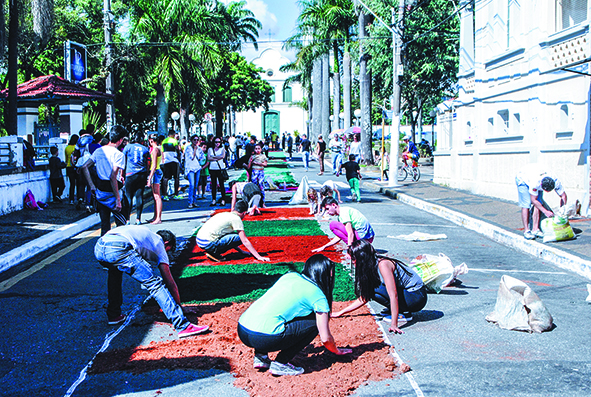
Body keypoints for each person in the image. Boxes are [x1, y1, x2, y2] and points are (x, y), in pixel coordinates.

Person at [237, 254, 352, 376]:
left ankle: (261, 356)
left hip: (243, 329)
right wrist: (337, 350)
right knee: (314, 323)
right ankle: (281, 363)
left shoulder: (290, 275)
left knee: (275, 314)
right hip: (265, 338)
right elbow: (325, 338)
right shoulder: (318, 295)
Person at [94, 225, 209, 338]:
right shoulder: (159, 244)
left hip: (99, 247)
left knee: (115, 274)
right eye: (168, 251)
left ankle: (114, 315)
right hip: (119, 248)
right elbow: (170, 282)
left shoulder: (145, 234)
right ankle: (182, 325)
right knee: (155, 285)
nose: (166, 254)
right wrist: (179, 307)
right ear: (167, 243)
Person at [332, 239, 427, 333]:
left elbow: (393, 295)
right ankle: (400, 309)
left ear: (362, 257)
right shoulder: (371, 263)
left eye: (353, 258)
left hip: (417, 297)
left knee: (374, 288)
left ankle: (404, 313)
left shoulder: (383, 265)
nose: (352, 261)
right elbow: (365, 297)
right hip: (411, 295)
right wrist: (341, 312)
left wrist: (394, 324)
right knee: (371, 289)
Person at [81, 125, 130, 235]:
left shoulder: (99, 151)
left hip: (101, 190)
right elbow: (113, 176)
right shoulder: (119, 154)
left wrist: (92, 186)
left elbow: (84, 167)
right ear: (121, 139)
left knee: (105, 225)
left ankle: (103, 248)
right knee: (121, 224)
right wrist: (118, 199)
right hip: (113, 190)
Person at [196, 200, 270, 262]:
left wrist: (241, 251)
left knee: (233, 235)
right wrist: (258, 256)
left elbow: (230, 238)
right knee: (238, 237)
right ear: (244, 213)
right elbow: (244, 240)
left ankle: (212, 250)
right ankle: (214, 253)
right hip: (209, 244)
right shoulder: (236, 219)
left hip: (200, 241)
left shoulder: (226, 214)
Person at [515, 164, 567, 240]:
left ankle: (535, 229)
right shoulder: (535, 183)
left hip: (536, 174)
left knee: (539, 202)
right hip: (522, 178)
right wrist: (546, 211)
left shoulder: (555, 181)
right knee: (526, 204)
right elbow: (533, 200)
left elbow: (563, 196)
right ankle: (527, 231)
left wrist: (563, 209)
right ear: (541, 185)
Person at [123, 132, 149, 224]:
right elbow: (148, 163)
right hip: (141, 174)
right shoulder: (145, 149)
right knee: (139, 196)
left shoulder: (128, 147)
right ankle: (138, 218)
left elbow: (123, 161)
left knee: (128, 196)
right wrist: (147, 175)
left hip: (130, 174)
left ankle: (127, 219)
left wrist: (122, 174)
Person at [184, 134, 206, 208]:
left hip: (197, 167)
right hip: (190, 168)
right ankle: (190, 201)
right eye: (194, 140)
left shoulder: (199, 149)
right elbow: (192, 157)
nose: (196, 141)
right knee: (192, 185)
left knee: (196, 185)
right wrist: (195, 150)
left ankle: (194, 201)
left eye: (197, 140)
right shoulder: (188, 148)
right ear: (191, 140)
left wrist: (201, 162)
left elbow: (202, 157)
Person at [146, 134, 163, 224]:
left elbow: (154, 165)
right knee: (155, 196)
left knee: (157, 196)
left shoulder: (155, 150)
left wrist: (149, 177)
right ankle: (155, 216)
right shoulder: (157, 149)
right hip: (156, 171)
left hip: (155, 171)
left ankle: (158, 218)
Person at [161, 130, 181, 201]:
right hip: (174, 161)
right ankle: (176, 194)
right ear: (173, 134)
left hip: (166, 161)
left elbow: (162, 152)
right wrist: (179, 157)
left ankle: (165, 195)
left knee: (165, 178)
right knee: (176, 178)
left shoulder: (163, 141)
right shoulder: (174, 141)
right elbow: (177, 149)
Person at [208, 137, 228, 207]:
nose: (217, 144)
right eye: (216, 142)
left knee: (221, 184)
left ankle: (223, 199)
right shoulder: (210, 149)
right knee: (213, 185)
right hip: (212, 168)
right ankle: (213, 200)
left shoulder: (222, 148)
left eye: (219, 142)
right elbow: (208, 158)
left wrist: (213, 157)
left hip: (220, 168)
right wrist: (217, 157)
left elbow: (223, 156)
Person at [65, 134, 79, 204]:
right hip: (76, 167)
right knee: (79, 183)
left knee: (72, 184)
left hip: (68, 167)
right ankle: (80, 197)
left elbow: (66, 159)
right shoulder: (76, 147)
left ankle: (71, 199)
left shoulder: (67, 148)